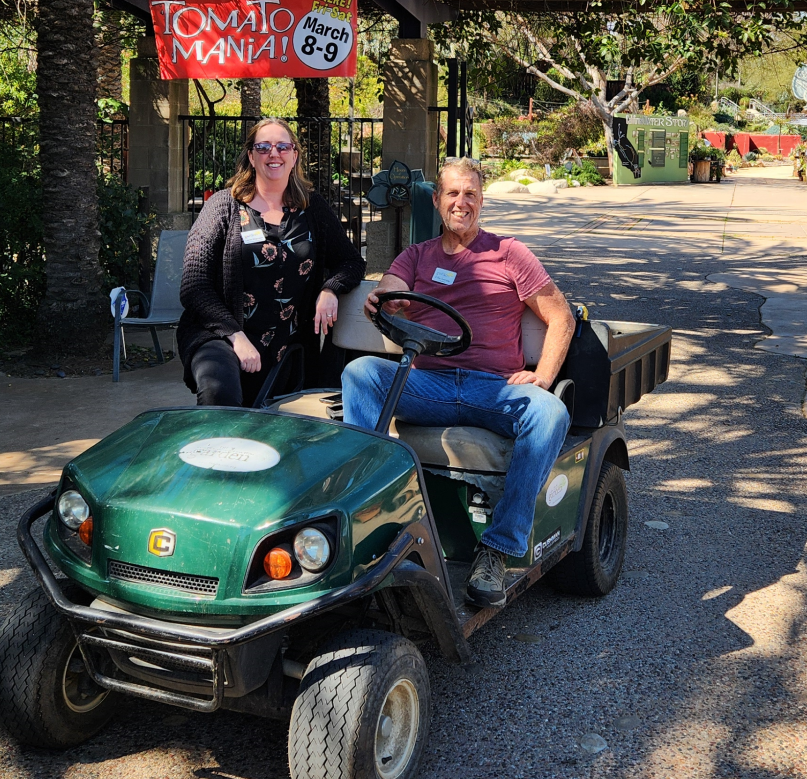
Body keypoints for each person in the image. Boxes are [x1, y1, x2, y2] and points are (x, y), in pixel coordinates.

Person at [341, 157, 576, 609]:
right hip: (428, 385)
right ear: (437, 200)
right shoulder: (417, 256)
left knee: (550, 412)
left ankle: (498, 550)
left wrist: (543, 376)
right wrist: (384, 300)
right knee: (361, 373)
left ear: (482, 201)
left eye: (470, 194)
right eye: (452, 193)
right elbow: (391, 287)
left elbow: (561, 317)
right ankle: (365, 517)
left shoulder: (510, 253)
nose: (461, 202)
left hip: (493, 390)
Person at [178, 117, 365, 406]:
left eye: (282, 147)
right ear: (251, 157)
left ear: (294, 156)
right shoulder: (223, 206)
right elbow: (194, 286)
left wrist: (330, 289)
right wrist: (236, 337)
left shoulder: (312, 208)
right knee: (220, 391)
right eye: (263, 147)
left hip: (286, 344)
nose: (273, 153)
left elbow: (351, 261)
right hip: (221, 335)